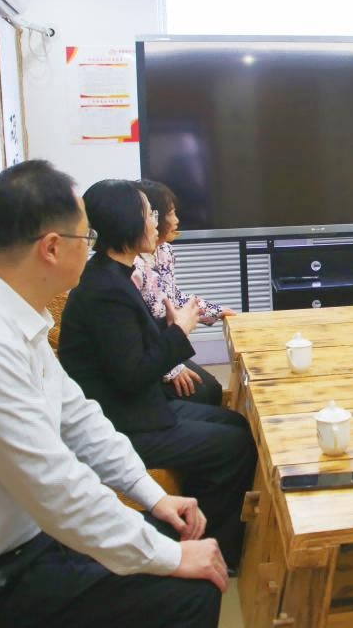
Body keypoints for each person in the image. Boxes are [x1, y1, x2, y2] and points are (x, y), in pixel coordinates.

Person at [0, 160, 226, 628]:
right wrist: (170, 559)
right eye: (86, 237)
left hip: (22, 544)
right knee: (189, 591)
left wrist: (151, 495)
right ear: (51, 247)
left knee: (167, 534)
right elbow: (53, 482)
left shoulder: (13, 317)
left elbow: (79, 418)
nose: (91, 248)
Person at [58, 180, 256, 569]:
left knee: (236, 424)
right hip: (123, 423)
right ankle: (217, 548)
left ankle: (202, 523)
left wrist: (175, 327)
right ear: (127, 221)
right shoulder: (106, 291)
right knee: (236, 445)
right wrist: (178, 330)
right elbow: (133, 375)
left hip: (138, 407)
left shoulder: (118, 274)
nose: (156, 222)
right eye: (148, 214)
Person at [135, 179, 235, 406]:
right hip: (150, 354)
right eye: (170, 213)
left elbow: (173, 297)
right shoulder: (133, 265)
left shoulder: (165, 251)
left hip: (166, 346)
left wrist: (215, 311)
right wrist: (172, 369)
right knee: (205, 391)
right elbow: (143, 328)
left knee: (211, 389)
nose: (176, 220)